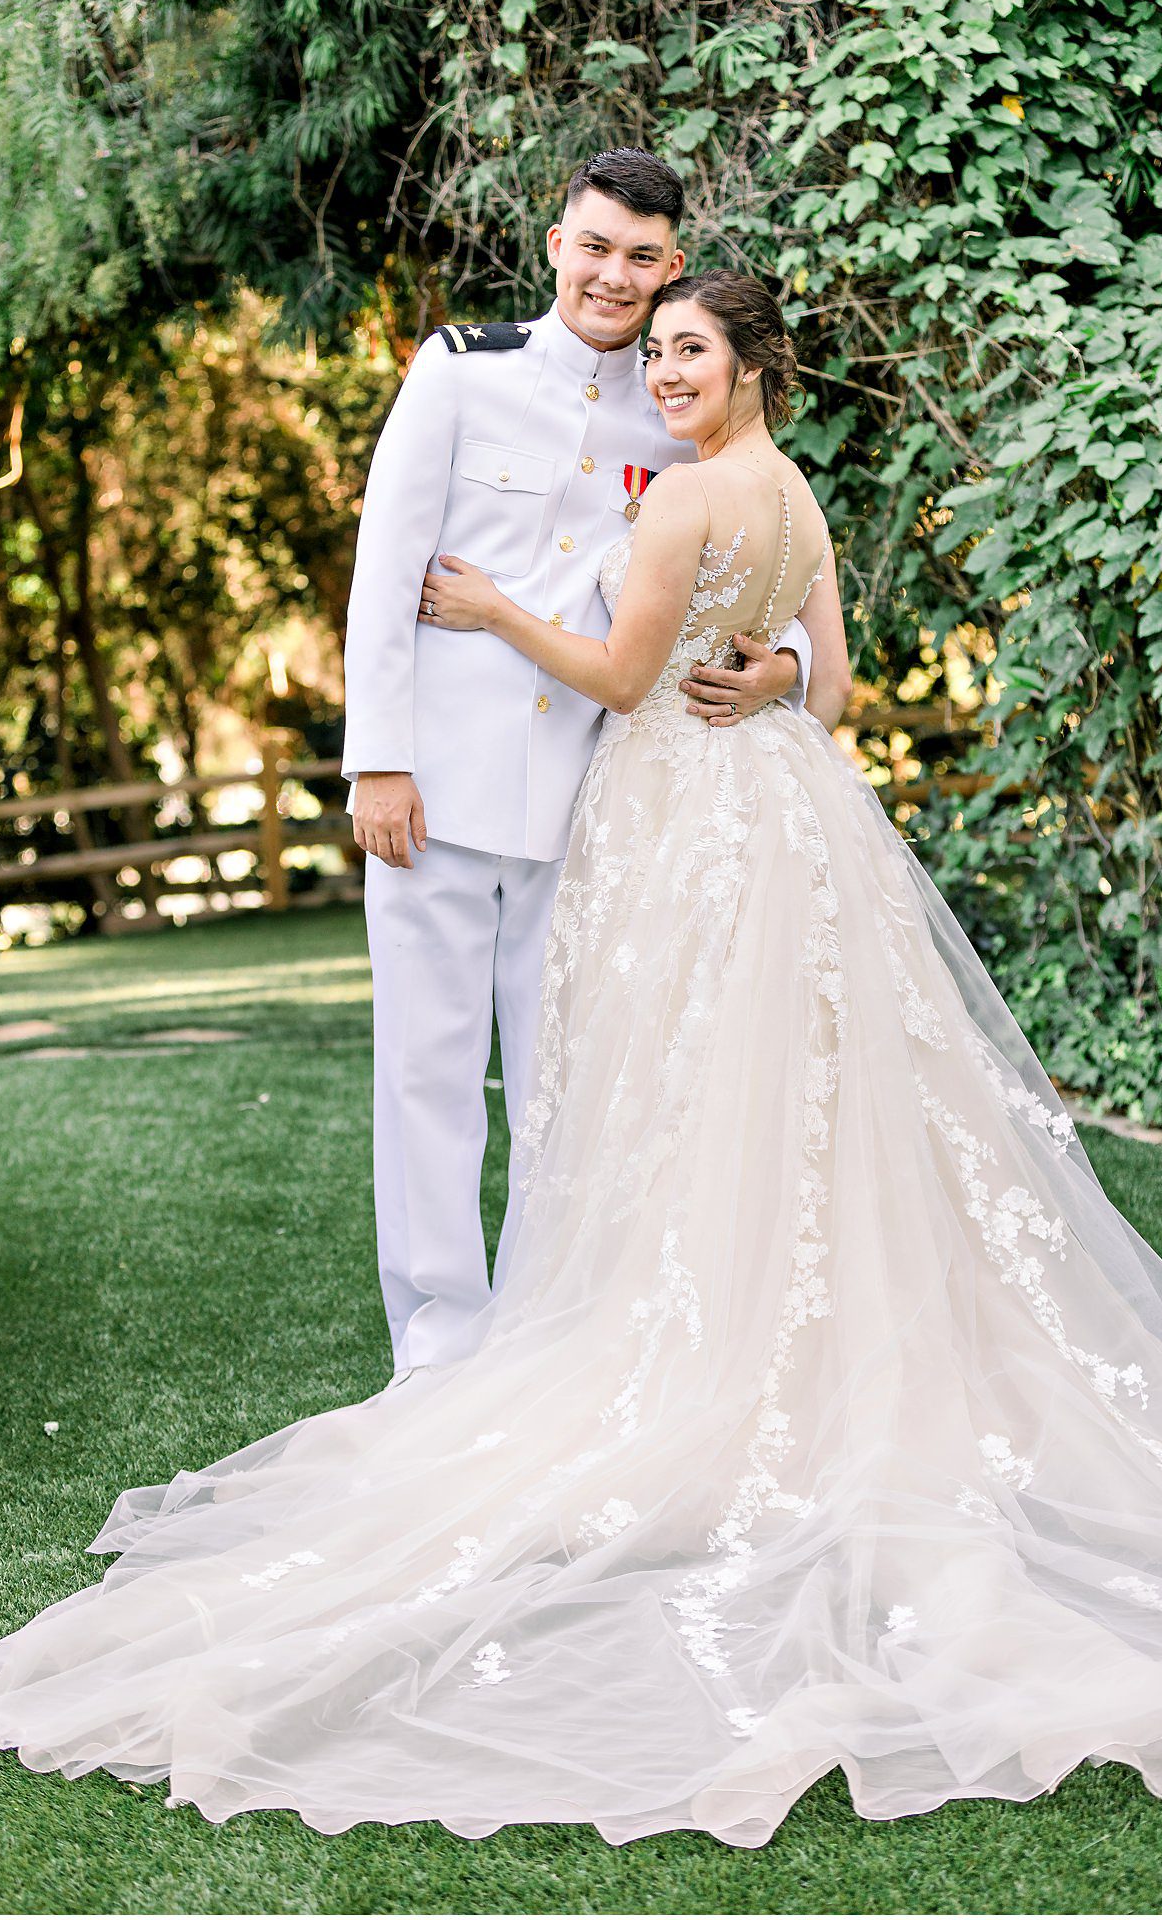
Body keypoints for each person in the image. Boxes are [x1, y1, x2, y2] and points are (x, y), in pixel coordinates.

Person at [0, 271, 1162, 1845]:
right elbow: (836, 686)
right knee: (788, 1103)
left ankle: (703, 1361)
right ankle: (797, 1351)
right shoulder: (796, 496)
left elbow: (624, 679)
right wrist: (777, 677)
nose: (666, 373)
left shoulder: (688, 500)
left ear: (754, 362)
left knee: (685, 1098)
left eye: (691, 350)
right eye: (657, 354)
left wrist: (499, 614)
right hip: (788, 818)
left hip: (679, 822)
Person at [342, 148, 814, 1378]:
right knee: (429, 1072)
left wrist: (787, 666)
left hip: (598, 800)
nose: (614, 275)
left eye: (641, 257)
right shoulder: (461, 370)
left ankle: (542, 1337)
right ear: (558, 244)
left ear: (671, 265)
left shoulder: (679, 402)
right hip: (438, 786)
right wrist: (376, 758)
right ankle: (438, 1343)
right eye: (594, 246)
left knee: (570, 1082)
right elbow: (386, 566)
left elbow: (755, 562)